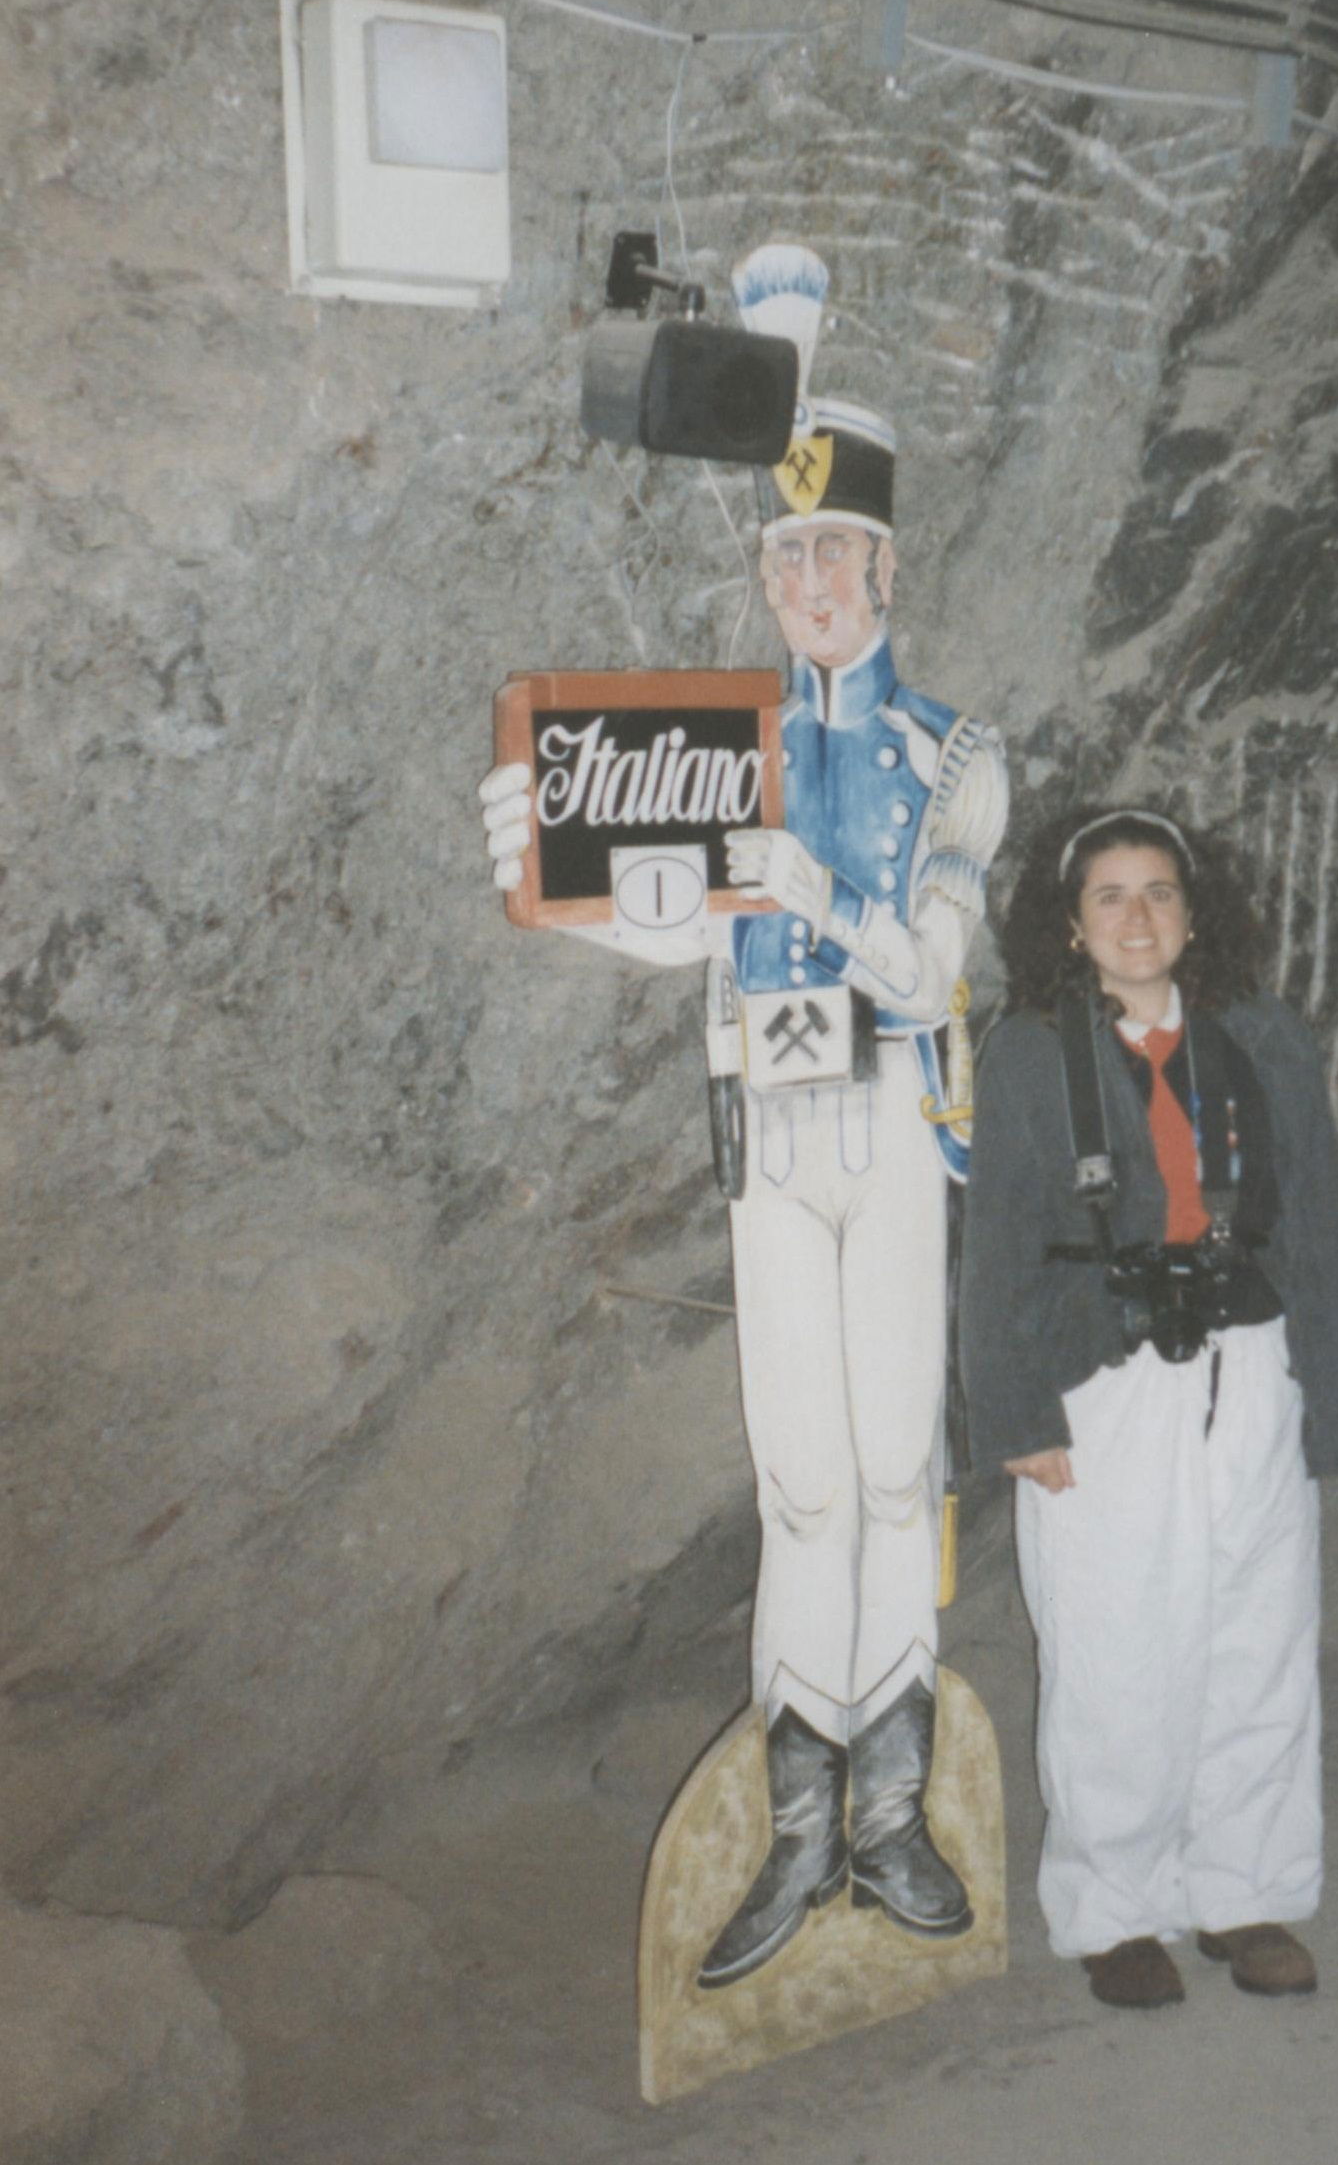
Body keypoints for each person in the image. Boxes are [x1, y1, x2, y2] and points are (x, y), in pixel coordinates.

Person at [481, 250, 1007, 1988]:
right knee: (795, 1486)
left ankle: (891, 1813)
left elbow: (933, 967)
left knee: (885, 1470)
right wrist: (542, 879)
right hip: (767, 1130)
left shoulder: (951, 752)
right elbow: (661, 917)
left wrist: (819, 890)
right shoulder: (714, 740)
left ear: (884, 565)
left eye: (833, 549)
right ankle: (804, 1833)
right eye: (781, 554)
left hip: (886, 1115)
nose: (808, 579)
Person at [961, 806, 1338, 2010]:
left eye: (1158, 892)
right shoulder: (1033, 1053)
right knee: (1115, 1647)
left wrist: (1335, 1398)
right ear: (1069, 922)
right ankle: (1116, 1906)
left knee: (1257, 1635)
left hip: (1248, 1365)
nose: (1136, 917)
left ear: (1195, 916)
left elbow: (1316, 1223)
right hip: (1104, 1376)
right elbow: (994, 1247)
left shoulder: (1259, 1042)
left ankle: (1243, 1890)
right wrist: (1018, 1413)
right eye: (1109, 895)